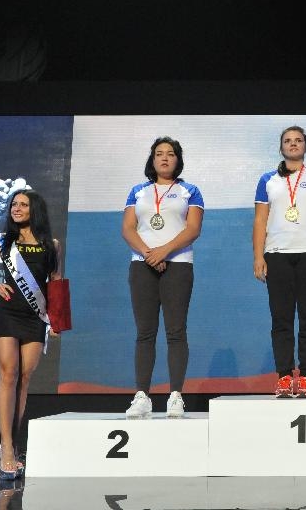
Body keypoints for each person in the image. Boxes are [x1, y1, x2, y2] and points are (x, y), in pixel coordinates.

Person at [0, 189, 63, 480]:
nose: (16, 209)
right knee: (9, 374)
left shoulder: (52, 244)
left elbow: (57, 282)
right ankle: (7, 448)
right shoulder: (2, 241)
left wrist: (57, 321)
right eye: (14, 205)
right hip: (7, 313)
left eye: (23, 205)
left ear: (34, 209)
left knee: (24, 379)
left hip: (34, 317)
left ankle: (12, 440)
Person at [253, 126, 306, 398]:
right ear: (281, 147)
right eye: (288, 141)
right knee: (281, 318)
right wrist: (258, 256)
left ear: (305, 146)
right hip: (277, 254)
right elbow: (260, 220)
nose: (293, 144)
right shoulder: (267, 180)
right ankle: (283, 376)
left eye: (298, 140)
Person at [122, 136, 204, 418]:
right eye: (159, 154)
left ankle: (175, 396)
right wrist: (148, 254)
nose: (165, 158)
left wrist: (164, 252)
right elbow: (128, 229)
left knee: (175, 331)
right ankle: (142, 396)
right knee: (145, 333)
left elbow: (193, 229)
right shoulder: (138, 191)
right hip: (141, 265)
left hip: (178, 264)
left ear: (178, 160)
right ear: (152, 160)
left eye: (170, 154)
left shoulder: (190, 191)